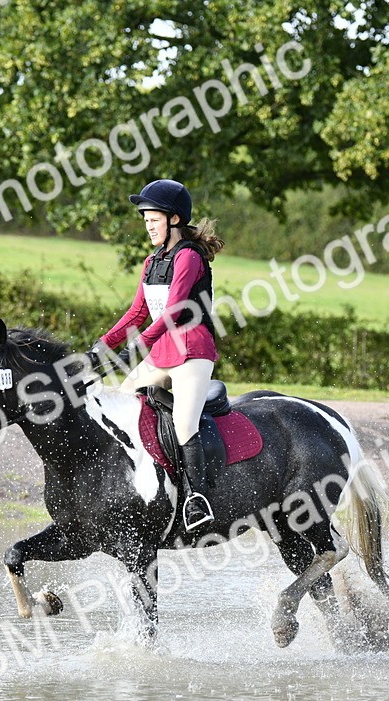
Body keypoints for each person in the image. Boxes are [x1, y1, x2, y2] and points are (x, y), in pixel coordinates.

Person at [88, 179, 225, 531]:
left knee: (184, 424)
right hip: (163, 352)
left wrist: (140, 344)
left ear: (175, 219)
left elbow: (176, 309)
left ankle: (197, 501)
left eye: (153, 218)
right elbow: (136, 314)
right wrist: (101, 347)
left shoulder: (190, 257)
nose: (148, 225)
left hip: (193, 352)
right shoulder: (152, 262)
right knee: (120, 406)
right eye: (145, 219)